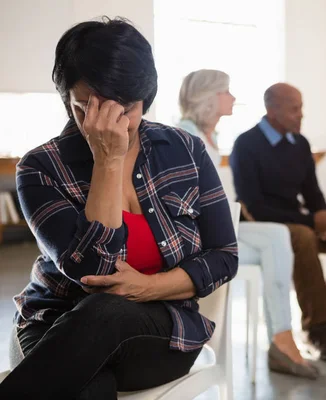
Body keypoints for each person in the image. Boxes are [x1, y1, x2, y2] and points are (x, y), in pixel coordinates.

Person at [0, 18, 238, 399]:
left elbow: (225, 256)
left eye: (126, 109)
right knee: (89, 385)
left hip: (162, 329)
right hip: (56, 322)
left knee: (105, 310)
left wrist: (149, 288)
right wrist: (107, 162)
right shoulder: (40, 167)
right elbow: (92, 271)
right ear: (67, 100)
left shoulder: (185, 150)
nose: (111, 125)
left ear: (146, 98)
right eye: (87, 109)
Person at [177, 69, 319, 379]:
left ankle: (283, 339)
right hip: (196, 241)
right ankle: (282, 341)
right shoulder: (187, 136)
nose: (233, 98)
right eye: (226, 91)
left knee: (279, 238)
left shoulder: (204, 136)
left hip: (214, 231)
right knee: (277, 243)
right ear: (210, 98)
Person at [229, 83, 326, 362]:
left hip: (296, 221)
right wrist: (311, 220)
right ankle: (317, 329)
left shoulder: (300, 144)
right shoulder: (246, 145)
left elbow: (313, 194)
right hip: (263, 226)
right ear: (272, 110)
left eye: (301, 107)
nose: (301, 114)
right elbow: (254, 207)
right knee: (303, 235)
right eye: (295, 109)